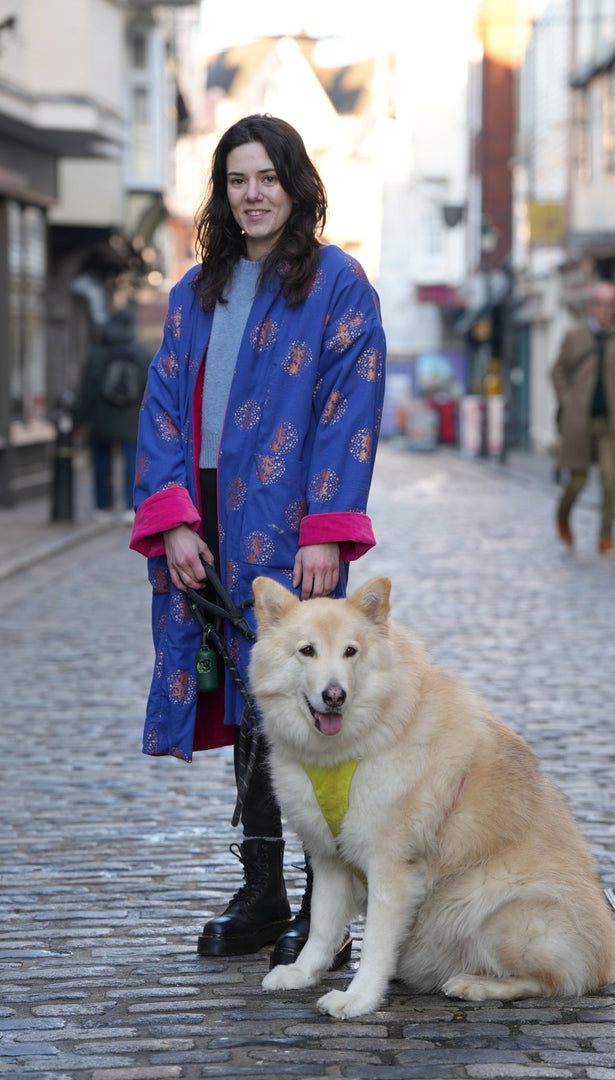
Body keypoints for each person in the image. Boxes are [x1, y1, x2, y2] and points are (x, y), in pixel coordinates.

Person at [129, 114, 386, 968]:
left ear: (295, 184)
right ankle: (262, 886)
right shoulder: (194, 291)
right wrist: (171, 522)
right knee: (246, 706)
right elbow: (161, 408)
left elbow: (349, 411)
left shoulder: (339, 284)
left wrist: (325, 529)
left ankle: (326, 909)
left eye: (267, 177)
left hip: (289, 526)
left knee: (316, 712)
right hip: (204, 524)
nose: (253, 193)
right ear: (223, 192)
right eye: (237, 180)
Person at [552, 281, 615, 556]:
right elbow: (557, 371)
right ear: (591, 306)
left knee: (610, 480)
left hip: (610, 423)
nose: (605, 310)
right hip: (579, 421)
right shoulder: (574, 336)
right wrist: (567, 400)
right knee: (577, 481)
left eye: (611, 304)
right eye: (601, 303)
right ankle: (563, 516)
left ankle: (606, 538)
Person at [76, 308, 151, 521]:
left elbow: (87, 390)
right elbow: (150, 389)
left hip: (102, 419)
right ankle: (129, 506)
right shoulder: (142, 354)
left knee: (101, 461)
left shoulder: (97, 353)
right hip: (130, 420)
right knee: (131, 463)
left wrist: (80, 418)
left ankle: (102, 506)